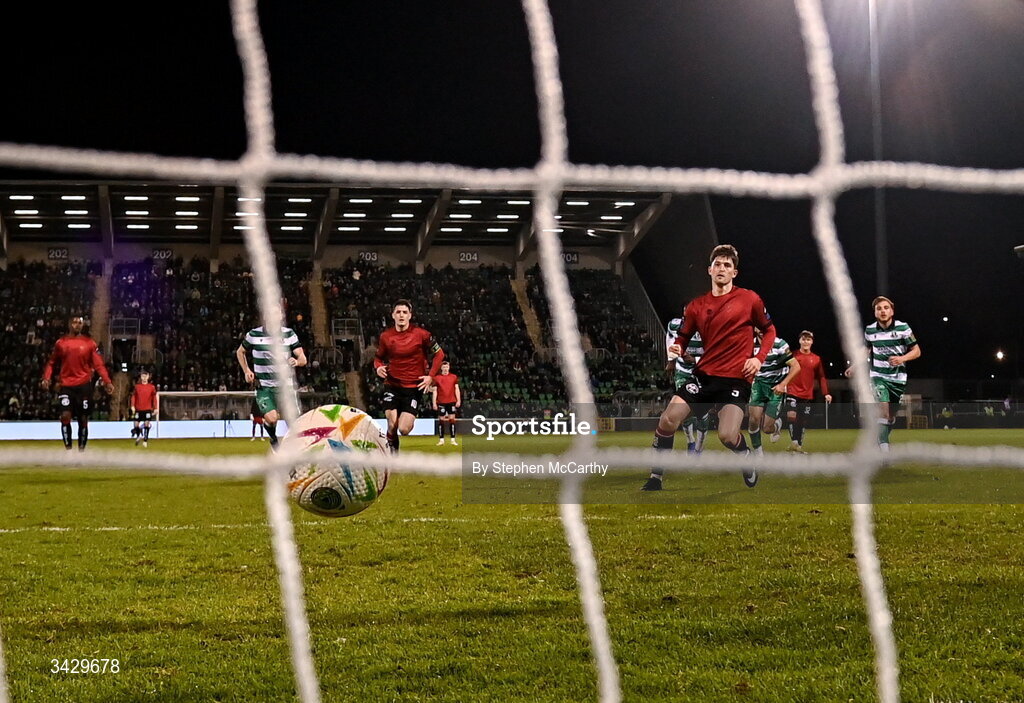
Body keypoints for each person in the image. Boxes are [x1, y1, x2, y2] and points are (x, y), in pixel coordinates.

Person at [645, 244, 777, 490]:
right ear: (709, 270)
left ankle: (745, 456)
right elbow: (683, 337)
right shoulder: (696, 306)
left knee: (727, 436)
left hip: (736, 379)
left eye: (727, 265)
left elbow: (769, 330)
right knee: (667, 420)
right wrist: (677, 348)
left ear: (734, 273)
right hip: (704, 377)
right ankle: (655, 478)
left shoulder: (749, 299)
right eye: (718, 264)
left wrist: (758, 358)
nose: (722, 268)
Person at [844, 296, 921, 452]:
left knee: (890, 417)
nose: (883, 311)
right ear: (875, 313)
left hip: (898, 379)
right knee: (883, 411)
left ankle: (881, 439)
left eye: (886, 308)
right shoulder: (870, 330)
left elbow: (917, 351)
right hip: (878, 376)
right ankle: (884, 452)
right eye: (879, 309)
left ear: (892, 311)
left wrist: (902, 358)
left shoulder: (903, 328)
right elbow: (865, 350)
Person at [374, 299, 445, 453]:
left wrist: (430, 376)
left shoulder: (422, 335)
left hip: (413, 388)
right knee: (391, 423)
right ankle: (392, 449)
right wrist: (378, 367)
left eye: (404, 312)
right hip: (392, 384)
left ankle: (397, 433)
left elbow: (439, 354)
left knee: (404, 429)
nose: (401, 315)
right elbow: (378, 358)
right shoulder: (386, 337)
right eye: (398, 312)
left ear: (410, 315)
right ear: (393, 315)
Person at [40, 315, 114, 451]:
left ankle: (81, 450)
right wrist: (46, 378)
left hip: (84, 386)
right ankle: (68, 450)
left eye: (80, 323)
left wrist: (107, 381)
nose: (77, 325)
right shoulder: (61, 343)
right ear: (69, 324)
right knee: (65, 416)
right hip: (66, 386)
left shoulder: (90, 343)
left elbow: (99, 365)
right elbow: (51, 362)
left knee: (83, 419)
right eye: (74, 322)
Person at [236, 318, 307, 450]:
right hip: (264, 386)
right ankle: (273, 440)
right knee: (271, 418)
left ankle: (297, 451)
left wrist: (297, 361)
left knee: (293, 423)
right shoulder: (254, 335)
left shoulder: (289, 334)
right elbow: (240, 352)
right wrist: (246, 370)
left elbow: (303, 358)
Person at [747, 330, 800, 456]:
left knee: (766, 428)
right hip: (758, 384)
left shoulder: (779, 344)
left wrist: (783, 384)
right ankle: (759, 454)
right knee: (753, 420)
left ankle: (777, 425)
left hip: (776, 387)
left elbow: (796, 366)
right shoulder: (749, 344)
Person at [665, 316, 710, 454]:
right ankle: (690, 441)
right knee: (683, 410)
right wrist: (671, 360)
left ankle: (699, 446)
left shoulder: (710, 327)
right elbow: (670, 339)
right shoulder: (675, 325)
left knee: (702, 412)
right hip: (683, 372)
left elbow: (716, 353)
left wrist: (696, 359)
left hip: (702, 372)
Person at [782, 330, 832, 453]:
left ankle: (798, 445)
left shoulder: (816, 359)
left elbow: (821, 377)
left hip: (807, 394)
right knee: (791, 416)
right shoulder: (793, 355)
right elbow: (782, 369)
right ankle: (794, 442)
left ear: (812, 342)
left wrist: (826, 393)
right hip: (792, 391)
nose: (806, 341)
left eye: (808, 339)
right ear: (799, 340)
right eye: (803, 339)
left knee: (803, 422)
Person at [432, 360, 461, 446]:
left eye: (447, 367)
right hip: (441, 402)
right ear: (441, 368)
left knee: (452, 419)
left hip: (451, 401)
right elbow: (435, 391)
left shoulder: (454, 377)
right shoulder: (436, 378)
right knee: (441, 420)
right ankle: (441, 440)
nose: (445, 369)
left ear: (449, 367)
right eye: (444, 367)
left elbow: (457, 389)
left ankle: (453, 439)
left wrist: (458, 400)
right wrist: (434, 403)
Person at [129, 370, 158, 447]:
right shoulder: (137, 387)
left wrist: (155, 408)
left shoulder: (151, 387)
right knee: (136, 425)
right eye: (143, 376)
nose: (144, 378)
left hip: (147, 409)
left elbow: (154, 398)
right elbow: (133, 396)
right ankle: (139, 436)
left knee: (146, 424)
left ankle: (145, 440)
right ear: (141, 377)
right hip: (138, 409)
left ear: (148, 377)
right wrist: (132, 405)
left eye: (146, 376)